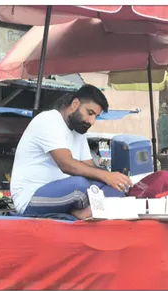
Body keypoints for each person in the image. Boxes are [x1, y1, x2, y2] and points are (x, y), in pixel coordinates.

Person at [11, 84, 132, 220]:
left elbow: (90, 168)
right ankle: (78, 212)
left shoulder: (78, 133)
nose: (91, 121)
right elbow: (66, 164)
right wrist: (105, 176)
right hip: (31, 198)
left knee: (116, 188)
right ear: (75, 104)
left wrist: (113, 179)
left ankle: (79, 212)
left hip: (66, 196)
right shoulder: (48, 120)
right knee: (79, 186)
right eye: (90, 113)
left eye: (95, 117)